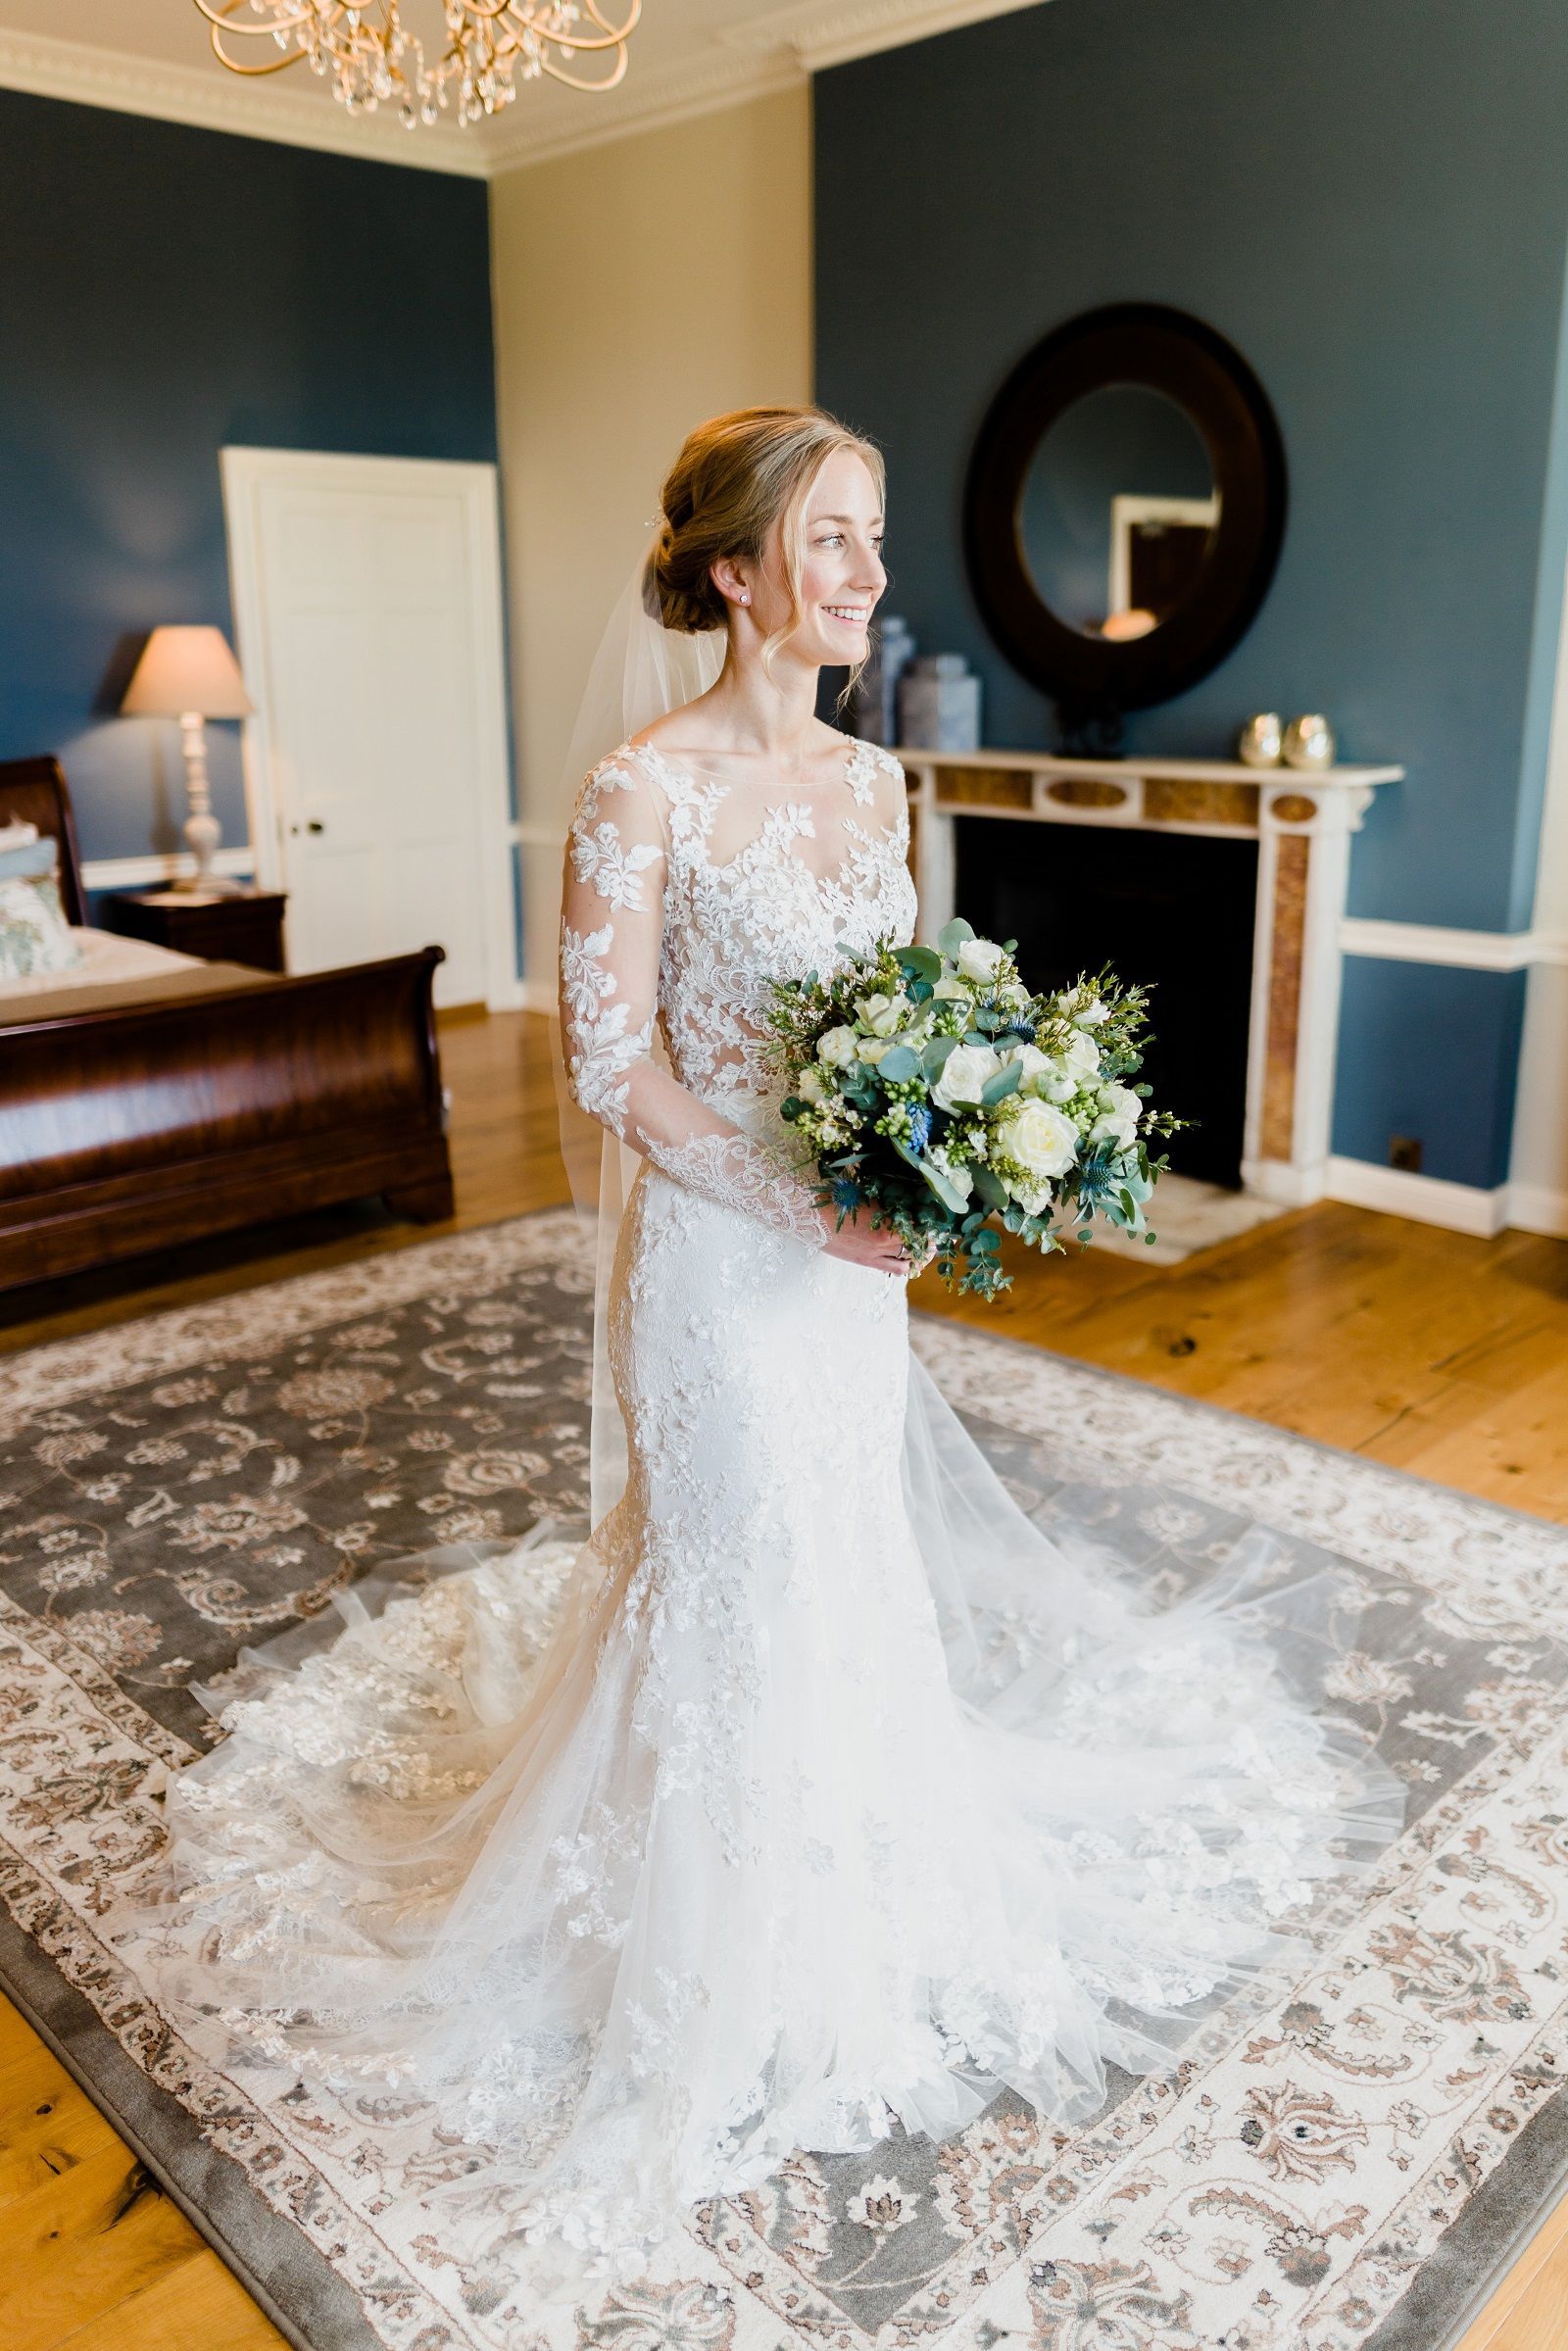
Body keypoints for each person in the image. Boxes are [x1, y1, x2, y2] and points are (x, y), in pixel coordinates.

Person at [119, 405, 1404, 2278]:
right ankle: (689, 1936)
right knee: (730, 1570)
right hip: (721, 1278)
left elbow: (890, 1018)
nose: (871, 577)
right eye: (833, 542)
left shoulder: (881, 788)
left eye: (877, 539)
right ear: (734, 573)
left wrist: (941, 1156)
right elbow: (610, 1064)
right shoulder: (646, 789)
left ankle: (846, 1871)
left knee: (845, 1555)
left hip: (849, 1276)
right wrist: (798, 1199)